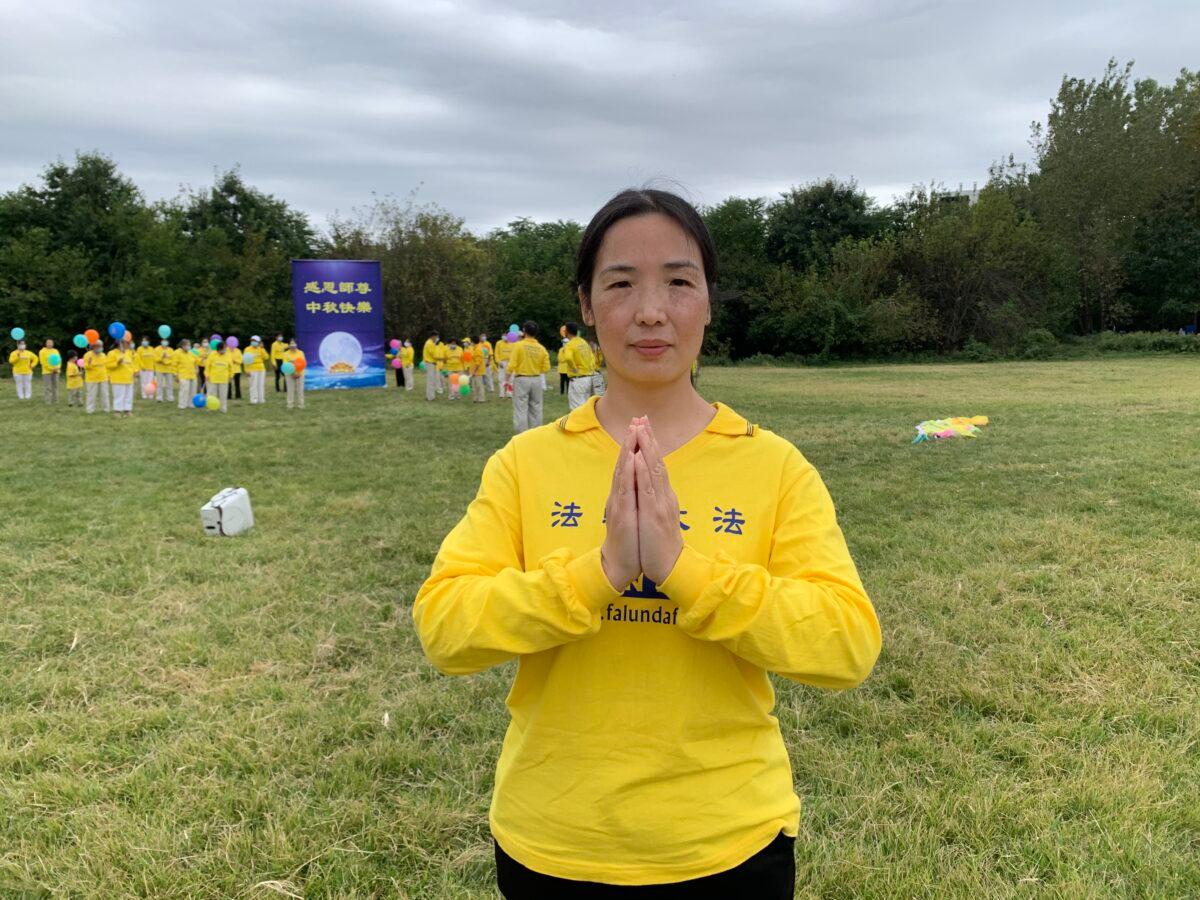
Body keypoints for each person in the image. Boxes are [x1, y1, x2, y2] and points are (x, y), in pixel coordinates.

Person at [412, 188, 881, 896]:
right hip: (554, 843)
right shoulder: (524, 464)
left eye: (679, 282)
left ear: (709, 302)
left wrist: (684, 572)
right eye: (621, 284)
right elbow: (445, 629)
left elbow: (846, 645)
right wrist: (598, 574)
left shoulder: (774, 466)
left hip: (727, 845)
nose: (651, 311)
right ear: (587, 305)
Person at [507, 320, 550, 433]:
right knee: (536, 407)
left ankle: (521, 434)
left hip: (522, 379)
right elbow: (546, 368)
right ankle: (535, 432)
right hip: (536, 379)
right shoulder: (541, 348)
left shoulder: (519, 346)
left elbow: (512, 365)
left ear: (524, 331)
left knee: (520, 407)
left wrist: (507, 379)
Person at [560, 322, 599, 411]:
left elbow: (568, 358)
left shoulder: (570, 344)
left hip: (578, 379)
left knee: (576, 409)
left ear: (567, 332)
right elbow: (592, 357)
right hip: (589, 377)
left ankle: (580, 425)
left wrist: (574, 368)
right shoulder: (583, 342)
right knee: (587, 406)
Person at [107, 336, 137, 417]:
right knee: (119, 396)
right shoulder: (112, 353)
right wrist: (117, 363)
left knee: (129, 395)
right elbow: (108, 365)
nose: (128, 344)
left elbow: (132, 364)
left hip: (129, 378)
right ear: (121, 343)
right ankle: (117, 411)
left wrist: (134, 372)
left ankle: (128, 410)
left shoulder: (129, 352)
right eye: (127, 343)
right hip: (118, 379)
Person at [203, 340, 233, 414]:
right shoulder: (212, 355)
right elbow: (207, 366)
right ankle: (211, 408)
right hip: (213, 379)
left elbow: (231, 368)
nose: (225, 350)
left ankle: (223, 408)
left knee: (223, 395)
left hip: (224, 379)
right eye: (224, 348)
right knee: (212, 395)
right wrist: (206, 375)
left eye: (225, 348)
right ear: (219, 349)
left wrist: (231, 376)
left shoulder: (228, 355)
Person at [82, 341, 110, 414]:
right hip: (92, 378)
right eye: (98, 346)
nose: (100, 347)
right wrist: (89, 363)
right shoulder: (87, 355)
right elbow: (85, 366)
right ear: (93, 347)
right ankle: (90, 410)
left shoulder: (104, 355)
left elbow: (106, 366)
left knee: (105, 394)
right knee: (91, 395)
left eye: (101, 346)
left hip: (103, 377)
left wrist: (108, 376)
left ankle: (106, 409)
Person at [243, 336, 267, 405]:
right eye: (252, 340)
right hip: (252, 369)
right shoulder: (247, 349)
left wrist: (262, 349)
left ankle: (261, 399)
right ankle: (253, 399)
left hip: (261, 369)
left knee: (261, 384)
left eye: (255, 341)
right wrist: (246, 370)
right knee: (253, 385)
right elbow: (245, 360)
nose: (253, 342)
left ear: (259, 342)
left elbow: (266, 357)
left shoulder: (260, 349)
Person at [283, 340, 306, 410]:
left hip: (300, 374)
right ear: (289, 345)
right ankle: (290, 405)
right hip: (289, 374)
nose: (293, 346)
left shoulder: (300, 353)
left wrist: (298, 373)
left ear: (296, 345)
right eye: (291, 345)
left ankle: (301, 405)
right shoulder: (285, 354)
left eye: (294, 345)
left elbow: (303, 363)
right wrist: (292, 373)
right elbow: (285, 364)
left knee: (300, 390)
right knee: (290, 390)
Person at [38, 338, 61, 404]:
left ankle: (55, 400)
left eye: (51, 342)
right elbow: (43, 362)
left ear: (53, 344)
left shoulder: (56, 351)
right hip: (47, 372)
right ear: (46, 343)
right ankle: (48, 401)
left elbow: (59, 360)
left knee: (55, 386)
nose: (50, 344)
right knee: (48, 387)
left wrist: (57, 368)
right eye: (48, 342)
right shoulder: (42, 351)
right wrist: (51, 369)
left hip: (56, 371)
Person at [154, 338, 176, 403]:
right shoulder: (157, 349)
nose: (164, 342)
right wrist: (162, 358)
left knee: (169, 384)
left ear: (168, 342)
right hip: (159, 369)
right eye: (163, 341)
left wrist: (166, 362)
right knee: (159, 384)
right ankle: (159, 398)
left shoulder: (171, 350)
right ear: (161, 341)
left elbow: (173, 359)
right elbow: (156, 359)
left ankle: (170, 397)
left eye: (166, 341)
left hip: (169, 369)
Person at [469, 334, 488, 403]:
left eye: (471, 342)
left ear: (473, 342)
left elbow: (478, 362)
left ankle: (481, 399)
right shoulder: (474, 348)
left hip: (478, 371)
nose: (470, 343)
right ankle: (476, 399)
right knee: (474, 386)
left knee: (479, 385)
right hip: (474, 371)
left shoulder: (478, 349)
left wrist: (474, 371)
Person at [423, 332, 442, 401]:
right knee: (431, 381)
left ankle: (429, 396)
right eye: (436, 337)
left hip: (431, 363)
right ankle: (430, 397)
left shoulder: (430, 343)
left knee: (431, 380)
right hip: (430, 363)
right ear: (433, 336)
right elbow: (434, 355)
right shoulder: (430, 343)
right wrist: (442, 358)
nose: (437, 339)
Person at [494, 331, 513, 399]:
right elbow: (496, 353)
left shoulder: (512, 343)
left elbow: (514, 353)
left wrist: (512, 363)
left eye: (506, 335)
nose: (504, 336)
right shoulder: (498, 343)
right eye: (503, 335)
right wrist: (499, 362)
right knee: (501, 378)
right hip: (502, 362)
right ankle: (501, 393)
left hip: (510, 362)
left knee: (510, 379)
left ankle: (509, 393)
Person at [557, 326, 570, 395]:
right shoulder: (560, 350)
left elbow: (569, 358)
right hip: (562, 369)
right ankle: (561, 392)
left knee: (568, 381)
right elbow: (560, 359)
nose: (564, 344)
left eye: (565, 343)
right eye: (564, 343)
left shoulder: (570, 350)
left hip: (568, 369)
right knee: (562, 381)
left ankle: (568, 392)